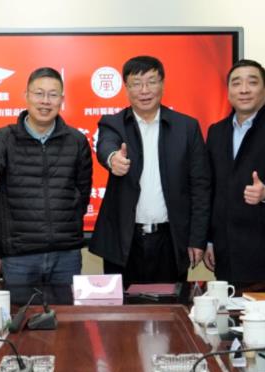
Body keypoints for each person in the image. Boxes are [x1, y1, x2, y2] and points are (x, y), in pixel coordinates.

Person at [89, 56, 211, 300]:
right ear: (126, 88)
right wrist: (113, 159)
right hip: (124, 242)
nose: (144, 90)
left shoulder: (186, 127)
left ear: (162, 84)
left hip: (170, 241)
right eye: (136, 83)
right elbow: (106, 146)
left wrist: (197, 239)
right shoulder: (113, 123)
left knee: (171, 311)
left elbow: (200, 186)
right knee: (122, 315)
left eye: (151, 82)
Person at [0, 67, 92, 301]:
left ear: (61, 99)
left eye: (53, 94)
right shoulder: (3, 137)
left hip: (66, 255)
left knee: (67, 320)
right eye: (39, 93)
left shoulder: (77, 140)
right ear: (26, 95)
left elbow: (83, 192)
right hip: (19, 257)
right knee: (20, 320)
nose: (45, 101)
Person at [204, 59, 265, 288]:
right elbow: (210, 188)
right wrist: (209, 240)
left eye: (252, 83)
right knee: (228, 311)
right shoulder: (216, 131)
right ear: (228, 92)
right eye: (236, 83)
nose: (244, 89)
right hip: (226, 254)